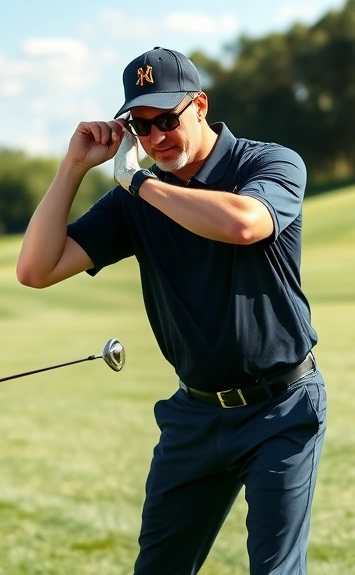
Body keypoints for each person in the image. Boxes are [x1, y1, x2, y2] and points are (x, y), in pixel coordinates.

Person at [17, 46, 326, 575]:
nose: (155, 138)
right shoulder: (137, 200)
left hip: (280, 407)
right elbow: (36, 269)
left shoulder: (269, 162)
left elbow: (245, 224)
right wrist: (72, 167)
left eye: (166, 120)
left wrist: (139, 181)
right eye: (139, 126)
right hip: (194, 416)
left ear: (200, 105)